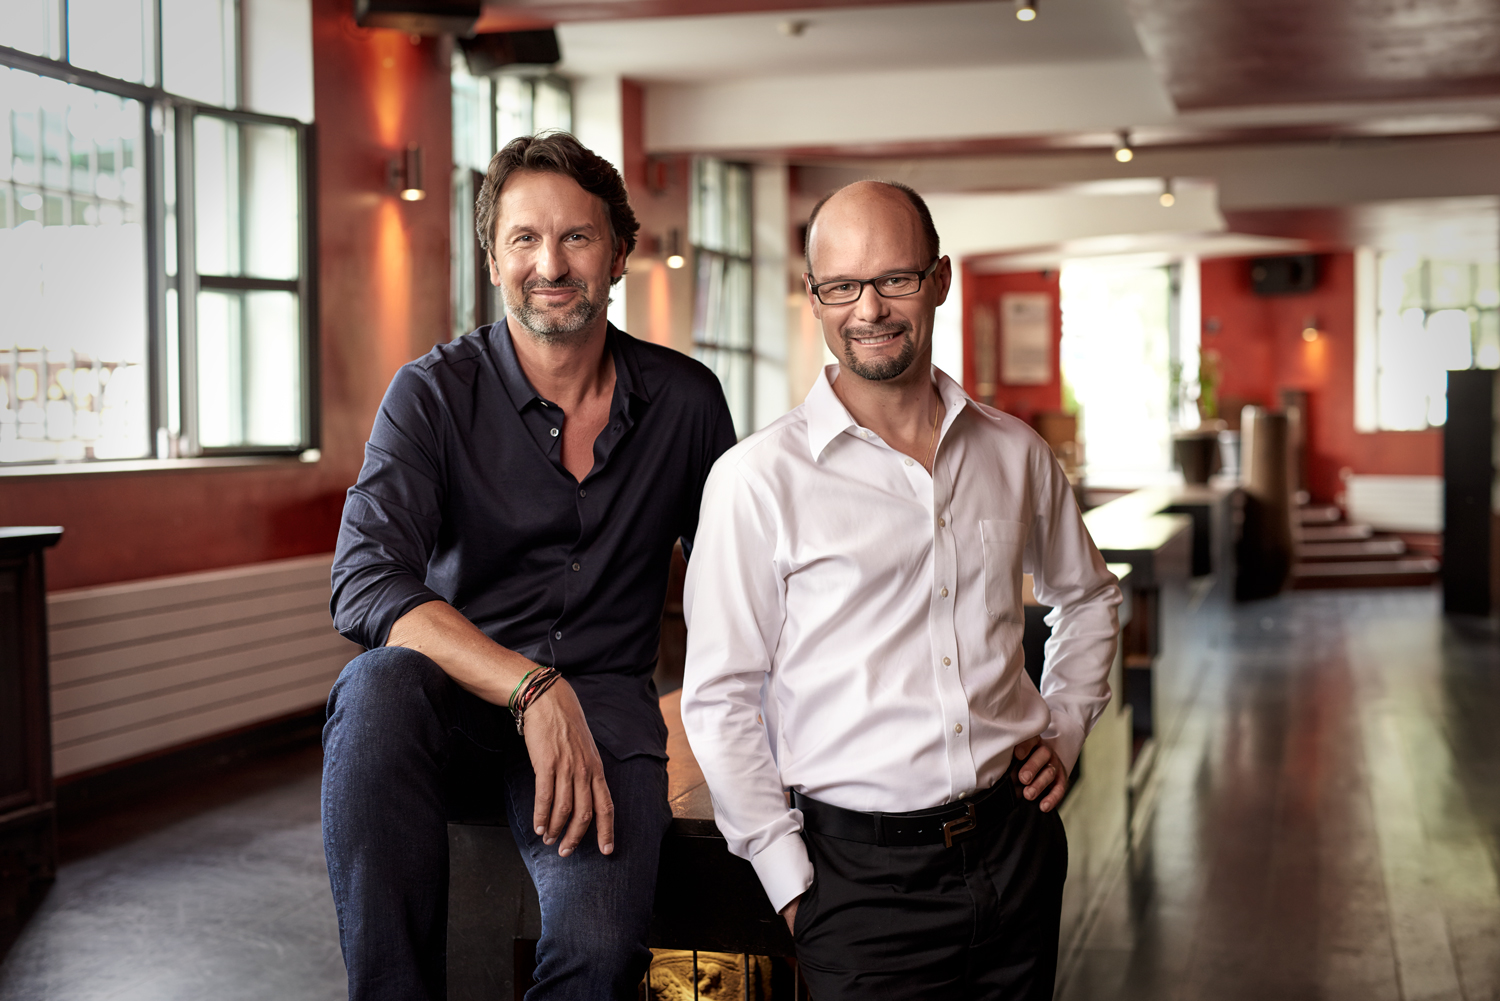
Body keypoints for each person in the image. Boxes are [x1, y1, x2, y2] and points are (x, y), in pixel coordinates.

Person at [680, 180, 1121, 1000]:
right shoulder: (756, 480)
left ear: (940, 279)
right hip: (854, 883)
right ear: (814, 295)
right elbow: (721, 693)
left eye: (895, 278)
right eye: (842, 285)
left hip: (1016, 851)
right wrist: (788, 878)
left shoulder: (1013, 452)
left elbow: (1089, 596)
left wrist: (1063, 727)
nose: (869, 308)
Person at [323, 132, 736, 1001]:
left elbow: (742, 595)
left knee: (597, 956)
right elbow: (364, 578)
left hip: (607, 715)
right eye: (525, 239)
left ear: (618, 253)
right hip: (453, 711)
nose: (550, 264)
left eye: (577, 237)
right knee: (377, 684)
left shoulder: (688, 401)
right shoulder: (431, 394)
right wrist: (530, 687)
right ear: (493, 259)